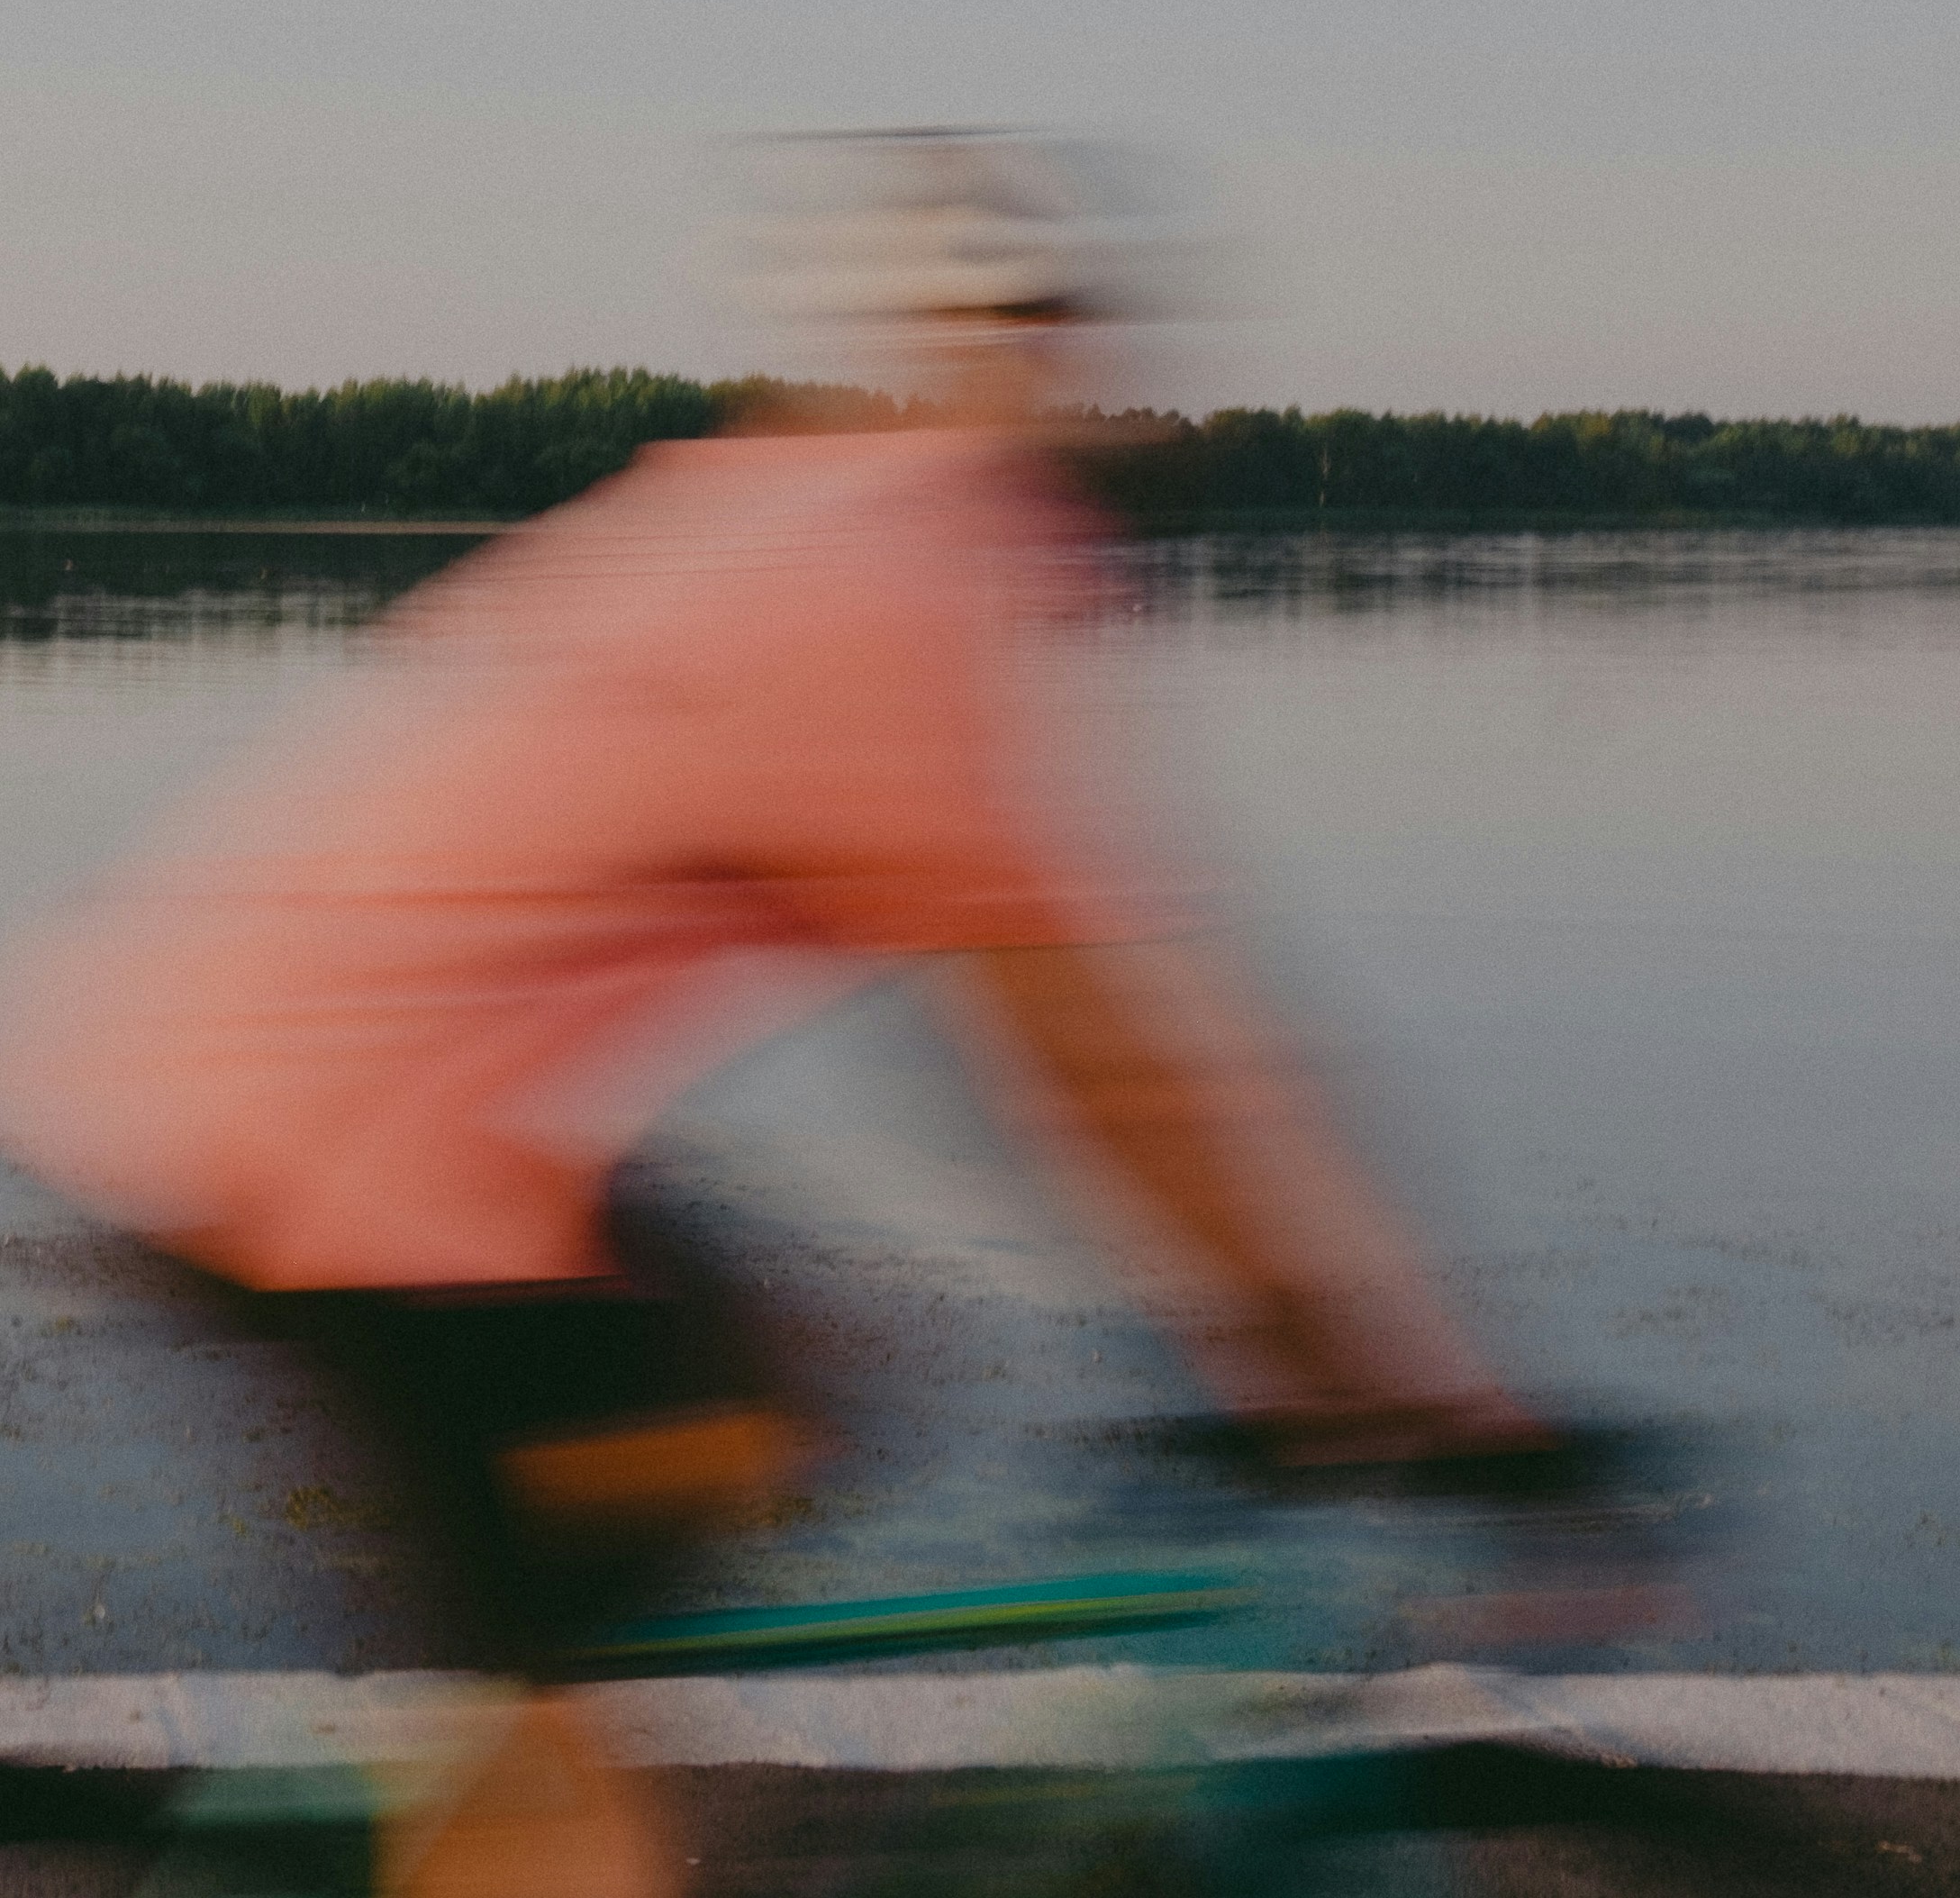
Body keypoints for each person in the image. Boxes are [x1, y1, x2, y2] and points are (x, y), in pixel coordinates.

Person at [0, 132, 1549, 1898]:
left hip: (260, 1094)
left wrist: (1308, 1359)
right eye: (1065, 346)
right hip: (323, 1168)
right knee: (560, 1794)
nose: (1098, 390)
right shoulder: (902, 585)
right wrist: (1395, 1392)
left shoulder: (767, 511)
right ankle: (511, 1793)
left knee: (808, 1374)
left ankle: (484, 1735)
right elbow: (1116, 1074)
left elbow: (1106, 1051)